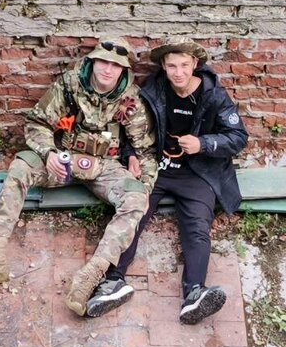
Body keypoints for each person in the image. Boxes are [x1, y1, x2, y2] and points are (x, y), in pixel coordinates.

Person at [0, 36, 158, 316]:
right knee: (20, 167)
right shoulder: (70, 84)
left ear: (124, 70)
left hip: (105, 167)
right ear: (93, 61)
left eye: (115, 65)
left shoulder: (131, 100)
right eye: (102, 61)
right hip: (63, 161)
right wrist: (48, 153)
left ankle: (91, 274)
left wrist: (144, 187)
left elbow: (147, 151)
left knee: (137, 198)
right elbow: (37, 123)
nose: (107, 69)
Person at [86, 38, 248, 324]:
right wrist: (131, 155)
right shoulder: (152, 90)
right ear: (163, 65)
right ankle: (113, 283)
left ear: (195, 65)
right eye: (172, 65)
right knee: (133, 214)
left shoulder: (213, 95)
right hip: (157, 167)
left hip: (198, 172)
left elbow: (238, 138)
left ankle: (194, 293)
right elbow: (125, 126)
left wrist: (203, 143)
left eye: (185, 65)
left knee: (197, 226)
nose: (178, 72)